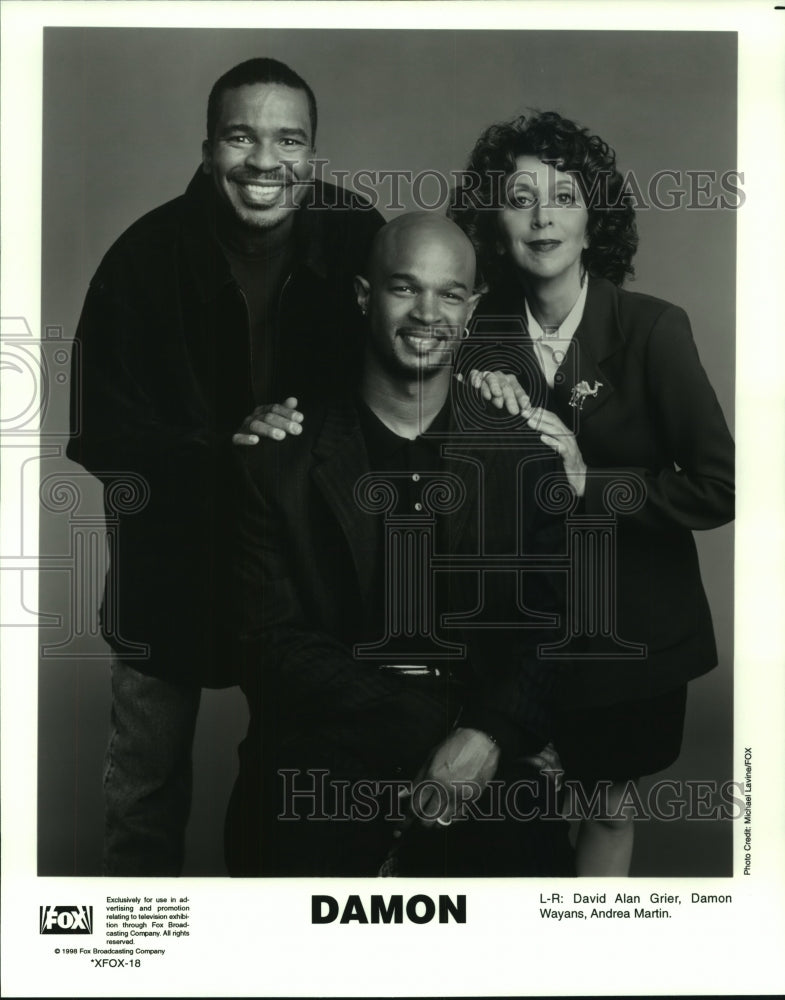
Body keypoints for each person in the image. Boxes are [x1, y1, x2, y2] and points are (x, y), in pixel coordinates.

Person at [67, 57, 383, 875]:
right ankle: (135, 961)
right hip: (169, 569)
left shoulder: (357, 239)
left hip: (304, 577)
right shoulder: (140, 259)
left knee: (294, 792)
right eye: (242, 136)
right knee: (144, 792)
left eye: (288, 140)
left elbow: (420, 346)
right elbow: (100, 434)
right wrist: (226, 442)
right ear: (208, 148)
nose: (265, 161)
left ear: (312, 153)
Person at [225, 212, 574, 877]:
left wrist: (490, 735)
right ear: (363, 296)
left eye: (448, 294)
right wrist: (454, 730)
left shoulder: (525, 460)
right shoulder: (274, 460)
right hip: (319, 765)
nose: (427, 312)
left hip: (488, 768)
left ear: (471, 309)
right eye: (403, 288)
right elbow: (268, 644)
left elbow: (554, 628)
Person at [450, 110, 735, 875]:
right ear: (491, 218)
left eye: (564, 195)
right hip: (507, 642)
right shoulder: (467, 333)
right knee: (517, 818)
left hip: (629, 643)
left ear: (592, 218)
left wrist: (590, 481)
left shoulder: (652, 330)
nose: (541, 216)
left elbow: (719, 486)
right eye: (518, 196)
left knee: (606, 809)